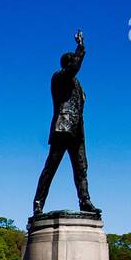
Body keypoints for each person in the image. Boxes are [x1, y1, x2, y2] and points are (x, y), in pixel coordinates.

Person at [33, 29, 100, 216]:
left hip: (78, 131)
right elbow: (74, 67)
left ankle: (85, 201)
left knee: (81, 168)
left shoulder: (78, 85)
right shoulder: (59, 77)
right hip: (62, 128)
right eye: (73, 61)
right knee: (51, 167)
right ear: (67, 64)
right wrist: (81, 47)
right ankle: (38, 204)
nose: (76, 64)